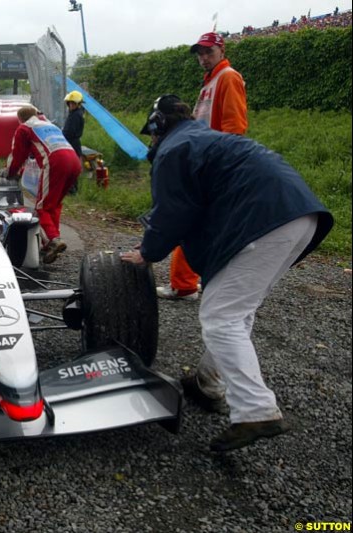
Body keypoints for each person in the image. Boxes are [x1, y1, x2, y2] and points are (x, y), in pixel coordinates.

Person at [121, 95, 333, 452]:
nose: (151, 140)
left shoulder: (175, 149)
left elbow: (173, 211)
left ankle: (256, 410)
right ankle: (207, 382)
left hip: (264, 220)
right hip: (300, 216)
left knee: (221, 317)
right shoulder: (202, 138)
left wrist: (147, 253)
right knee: (236, 310)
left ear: (157, 125)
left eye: (152, 133)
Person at [158, 31, 249, 301]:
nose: (203, 58)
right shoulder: (210, 81)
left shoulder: (228, 77)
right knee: (199, 223)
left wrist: (225, 165)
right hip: (204, 162)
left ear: (222, 51)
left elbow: (234, 125)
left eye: (209, 52)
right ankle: (187, 283)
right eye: (200, 53)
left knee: (194, 222)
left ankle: (188, 284)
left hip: (215, 164)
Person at [5, 105, 82, 264]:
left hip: (56, 162)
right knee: (53, 203)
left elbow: (18, 154)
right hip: (74, 162)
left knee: (42, 206)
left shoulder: (24, 128)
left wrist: (11, 173)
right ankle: (52, 241)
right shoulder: (48, 125)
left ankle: (53, 239)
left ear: (20, 119)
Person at [62, 90, 86, 195]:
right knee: (70, 166)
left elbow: (70, 131)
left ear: (78, 104)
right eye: (70, 103)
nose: (71, 105)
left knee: (71, 167)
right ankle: (70, 188)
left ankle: (72, 190)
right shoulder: (75, 113)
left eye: (73, 103)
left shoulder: (76, 115)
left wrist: (62, 135)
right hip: (72, 142)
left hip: (72, 143)